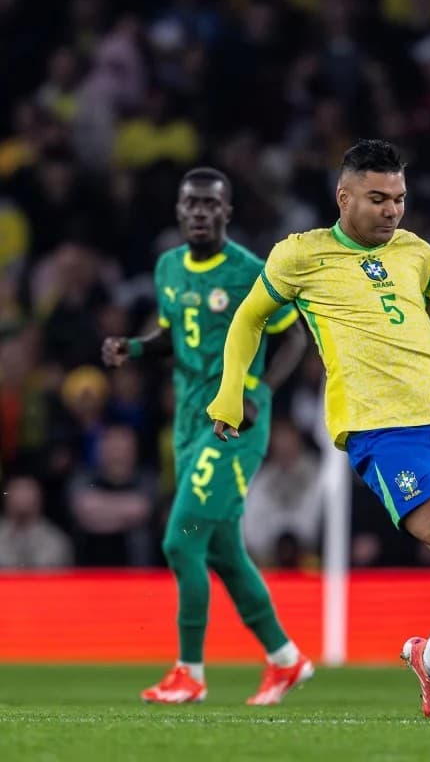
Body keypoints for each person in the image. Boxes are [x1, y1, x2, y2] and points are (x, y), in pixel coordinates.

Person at [205, 139, 430, 719]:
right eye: (377, 198)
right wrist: (229, 393)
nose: (392, 210)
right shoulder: (300, 256)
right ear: (344, 197)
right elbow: (248, 318)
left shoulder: (412, 251)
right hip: (381, 430)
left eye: (399, 198)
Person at [102, 166, 311, 705]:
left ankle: (189, 673)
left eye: (209, 204)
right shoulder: (168, 268)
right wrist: (136, 348)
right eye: (189, 204)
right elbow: (173, 332)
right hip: (190, 422)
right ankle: (286, 660)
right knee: (221, 551)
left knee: (179, 539)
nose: (198, 212)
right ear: (178, 211)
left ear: (226, 213)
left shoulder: (250, 272)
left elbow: (294, 335)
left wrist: (258, 389)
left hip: (235, 423)